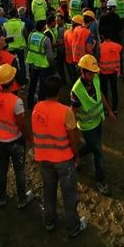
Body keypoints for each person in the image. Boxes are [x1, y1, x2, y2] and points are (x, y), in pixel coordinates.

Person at [31, 75, 87, 237]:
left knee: (48, 191)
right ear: (59, 91)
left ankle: (49, 221)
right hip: (63, 160)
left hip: (43, 158)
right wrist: (76, 155)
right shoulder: (65, 111)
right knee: (69, 195)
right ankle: (73, 227)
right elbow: (73, 138)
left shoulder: (36, 108)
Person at [0, 63, 33, 208]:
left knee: (2, 168)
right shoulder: (16, 102)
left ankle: (1, 196)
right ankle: (22, 199)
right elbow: (22, 124)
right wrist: (30, 139)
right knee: (19, 170)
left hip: (0, 139)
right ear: (12, 82)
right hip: (15, 140)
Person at [72, 54, 116, 195]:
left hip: (97, 121)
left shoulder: (96, 78)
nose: (93, 76)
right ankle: (100, 181)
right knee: (98, 153)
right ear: (82, 72)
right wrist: (74, 134)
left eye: (94, 73)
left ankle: (75, 155)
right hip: (86, 127)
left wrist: (109, 110)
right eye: (90, 74)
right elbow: (73, 114)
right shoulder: (76, 91)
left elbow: (100, 94)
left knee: (92, 146)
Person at [25, 19, 54, 111]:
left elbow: (28, 47)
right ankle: (40, 105)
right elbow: (50, 56)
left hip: (32, 63)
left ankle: (29, 103)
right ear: (43, 27)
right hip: (42, 65)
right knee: (42, 86)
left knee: (32, 84)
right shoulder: (46, 39)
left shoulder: (30, 35)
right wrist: (51, 64)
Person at [98, 34, 123, 114]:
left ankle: (106, 108)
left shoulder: (100, 47)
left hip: (103, 72)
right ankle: (114, 108)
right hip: (113, 71)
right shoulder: (117, 46)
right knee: (114, 90)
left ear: (102, 37)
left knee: (104, 91)